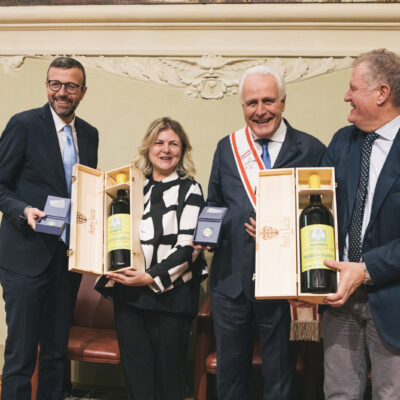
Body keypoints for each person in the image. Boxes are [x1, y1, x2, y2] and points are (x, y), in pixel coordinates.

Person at [202, 65, 326, 399]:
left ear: (283, 102)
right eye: (251, 103)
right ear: (242, 106)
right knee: (229, 379)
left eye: (268, 101)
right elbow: (215, 203)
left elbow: (324, 217)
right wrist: (207, 234)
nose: (260, 111)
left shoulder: (311, 149)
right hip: (231, 284)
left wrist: (282, 230)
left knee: (280, 379)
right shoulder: (227, 147)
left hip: (283, 287)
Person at [0, 57, 98, 400]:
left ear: (82, 91)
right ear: (46, 86)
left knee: (56, 353)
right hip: (25, 258)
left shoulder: (90, 134)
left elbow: (85, 193)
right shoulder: (23, 125)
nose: (62, 92)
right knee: (22, 354)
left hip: (66, 260)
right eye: (55, 84)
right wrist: (23, 210)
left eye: (70, 86)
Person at [97, 117, 207, 400]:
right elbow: (110, 235)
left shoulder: (190, 189)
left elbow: (190, 247)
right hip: (129, 296)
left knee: (169, 382)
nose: (165, 149)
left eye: (173, 144)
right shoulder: (130, 188)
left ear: (183, 150)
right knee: (138, 380)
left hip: (171, 297)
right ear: (148, 148)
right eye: (159, 143)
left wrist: (149, 276)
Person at [321, 49, 400, 399]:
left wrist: (365, 269)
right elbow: (316, 207)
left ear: (382, 93)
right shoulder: (342, 141)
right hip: (340, 299)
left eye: (353, 88)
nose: (346, 96)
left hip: (393, 299)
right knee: (338, 394)